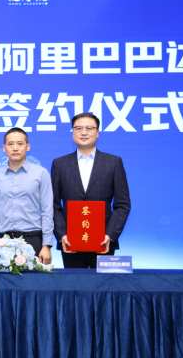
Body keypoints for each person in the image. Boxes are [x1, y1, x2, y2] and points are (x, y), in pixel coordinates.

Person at [51, 113, 131, 268]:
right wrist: (62, 235)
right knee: (74, 282)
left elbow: (123, 204)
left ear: (97, 132)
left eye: (89, 128)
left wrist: (110, 235)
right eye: (78, 128)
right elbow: (53, 205)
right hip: (70, 241)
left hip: (103, 241)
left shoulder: (114, 162)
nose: (84, 132)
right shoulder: (59, 164)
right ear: (73, 132)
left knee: (103, 283)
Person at [0, 127, 54, 264]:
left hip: (33, 240)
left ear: (27, 147)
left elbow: (48, 211)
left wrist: (46, 245)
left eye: (20, 144)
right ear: (4, 148)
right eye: (10, 144)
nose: (15, 148)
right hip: (3, 242)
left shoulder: (41, 173)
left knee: (34, 278)